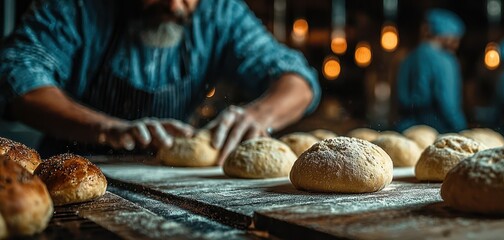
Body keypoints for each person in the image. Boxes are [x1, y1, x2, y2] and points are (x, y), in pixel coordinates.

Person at [0, 0, 320, 164]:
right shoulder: (78, 8)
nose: (173, 5)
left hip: (174, 183)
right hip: (72, 174)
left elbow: (297, 79)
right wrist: (109, 129)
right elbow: (16, 76)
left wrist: (259, 115)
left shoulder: (219, 12)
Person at [395, 9, 466, 133]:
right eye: (456, 38)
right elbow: (448, 104)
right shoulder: (445, 61)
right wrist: (461, 129)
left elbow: (400, 100)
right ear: (447, 35)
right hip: (437, 131)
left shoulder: (407, 58)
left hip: (407, 130)